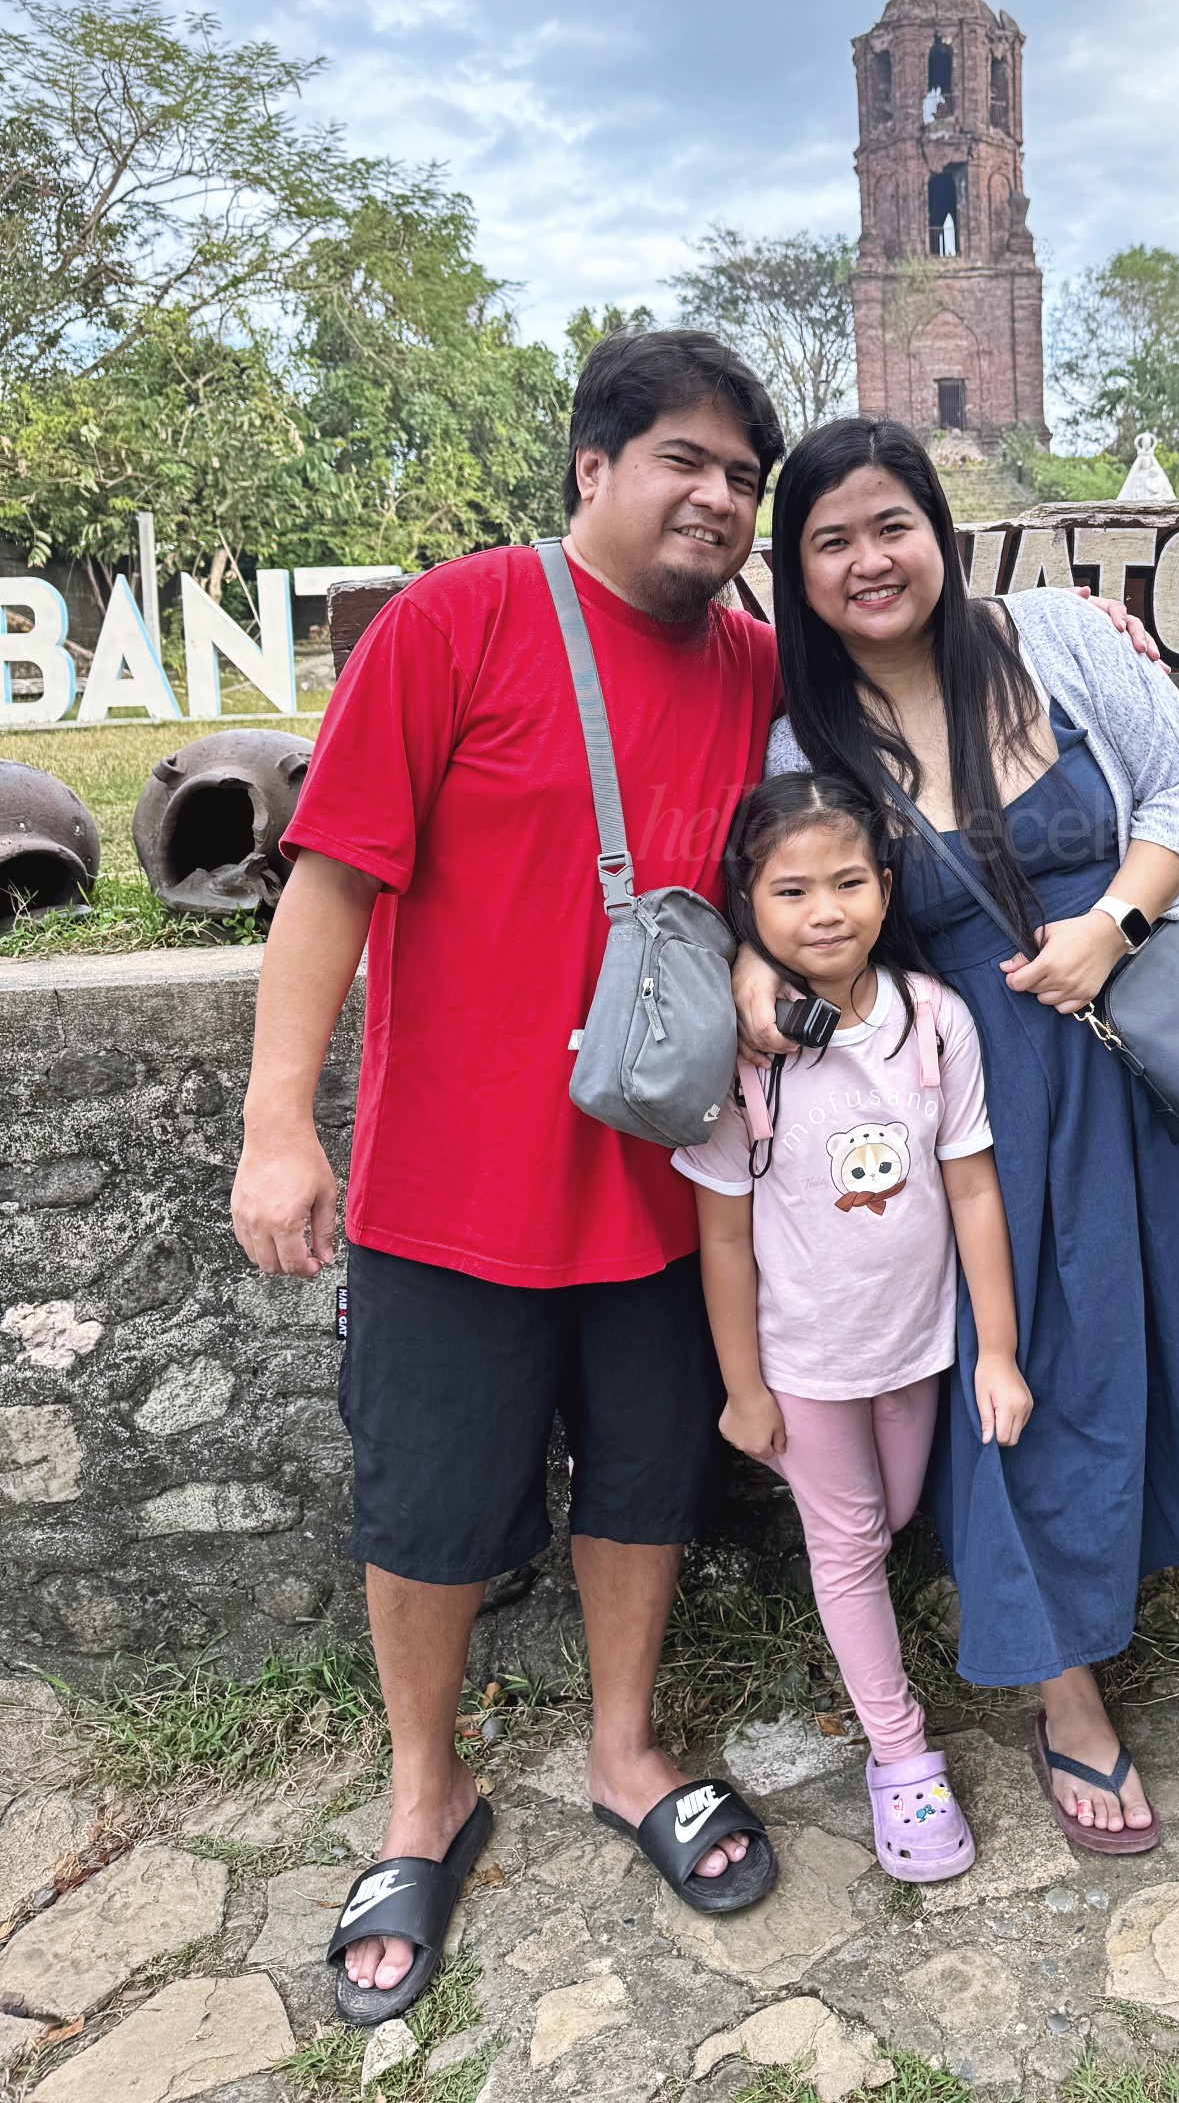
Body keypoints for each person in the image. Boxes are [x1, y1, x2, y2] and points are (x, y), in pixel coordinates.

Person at [230, 331, 793, 2026]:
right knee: (427, 1506)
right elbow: (329, 885)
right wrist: (279, 1121)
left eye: (744, 478)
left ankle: (625, 1751)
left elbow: (917, 660)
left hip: (664, 1186)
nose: (718, 499)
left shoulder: (757, 666)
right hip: (449, 1187)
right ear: (593, 469)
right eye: (685, 459)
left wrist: (1098, 633)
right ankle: (427, 1789)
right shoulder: (454, 625)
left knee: (643, 1481)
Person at [739, 416, 1179, 1877]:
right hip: (986, 1120)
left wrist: (1112, 925)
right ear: (798, 571)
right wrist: (744, 975)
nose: (867, 560)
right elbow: (796, 908)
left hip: (1157, 1058)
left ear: (938, 528)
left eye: (890, 524)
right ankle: (1066, 1691)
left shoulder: (1051, 638)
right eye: (830, 540)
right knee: (1020, 1392)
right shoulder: (808, 739)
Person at [675, 773, 1032, 1880]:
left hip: (917, 1348)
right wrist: (743, 1387)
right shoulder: (744, 1057)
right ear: (750, 898)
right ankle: (900, 1754)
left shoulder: (935, 1021)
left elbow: (974, 1188)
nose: (824, 910)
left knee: (894, 1515)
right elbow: (723, 1236)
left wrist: (1000, 1349)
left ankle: (869, 1646)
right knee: (848, 1547)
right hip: (807, 1364)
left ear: (886, 885)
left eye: (847, 882)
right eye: (792, 889)